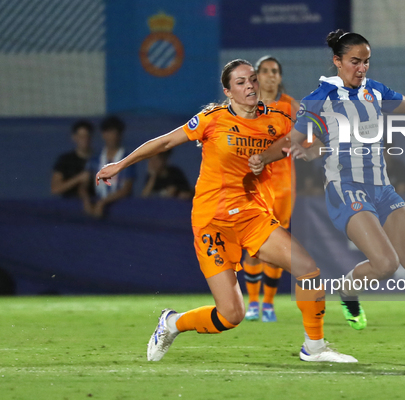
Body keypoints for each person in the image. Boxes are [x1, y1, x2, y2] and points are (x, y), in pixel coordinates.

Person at [249, 30, 405, 362]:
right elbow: (294, 140)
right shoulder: (319, 98)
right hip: (345, 190)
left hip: (382, 189)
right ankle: (348, 289)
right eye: (354, 61)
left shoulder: (375, 91)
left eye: (366, 61)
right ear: (337, 61)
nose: (361, 68)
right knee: (387, 263)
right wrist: (263, 157)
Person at [95, 59, 356, 363]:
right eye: (241, 82)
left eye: (252, 80)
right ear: (228, 91)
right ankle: (172, 323)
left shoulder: (278, 120)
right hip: (212, 223)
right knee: (231, 315)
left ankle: (314, 346)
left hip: (252, 216)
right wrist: (120, 164)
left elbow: (313, 146)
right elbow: (166, 141)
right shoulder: (212, 119)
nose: (250, 86)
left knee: (308, 270)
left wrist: (307, 151)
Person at [242, 56, 299, 323]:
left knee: (277, 246)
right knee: (252, 245)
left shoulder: (291, 107)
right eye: (264, 71)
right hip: (254, 185)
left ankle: (268, 303)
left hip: (283, 187)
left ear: (279, 76)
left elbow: (309, 137)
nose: (269, 75)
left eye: (274, 71)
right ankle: (252, 301)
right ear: (256, 77)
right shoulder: (246, 107)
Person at [84, 116, 136, 218]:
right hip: (97, 209)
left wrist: (103, 203)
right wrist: (86, 201)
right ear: (103, 135)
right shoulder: (95, 159)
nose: (112, 137)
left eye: (114, 133)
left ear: (120, 135)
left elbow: (126, 188)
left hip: (120, 210)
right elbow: (84, 184)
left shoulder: (128, 158)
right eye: (108, 133)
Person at [51, 120, 94, 198]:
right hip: (69, 207)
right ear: (74, 138)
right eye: (81, 137)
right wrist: (78, 178)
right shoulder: (65, 161)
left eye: (87, 136)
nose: (84, 140)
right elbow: (55, 188)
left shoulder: (99, 159)